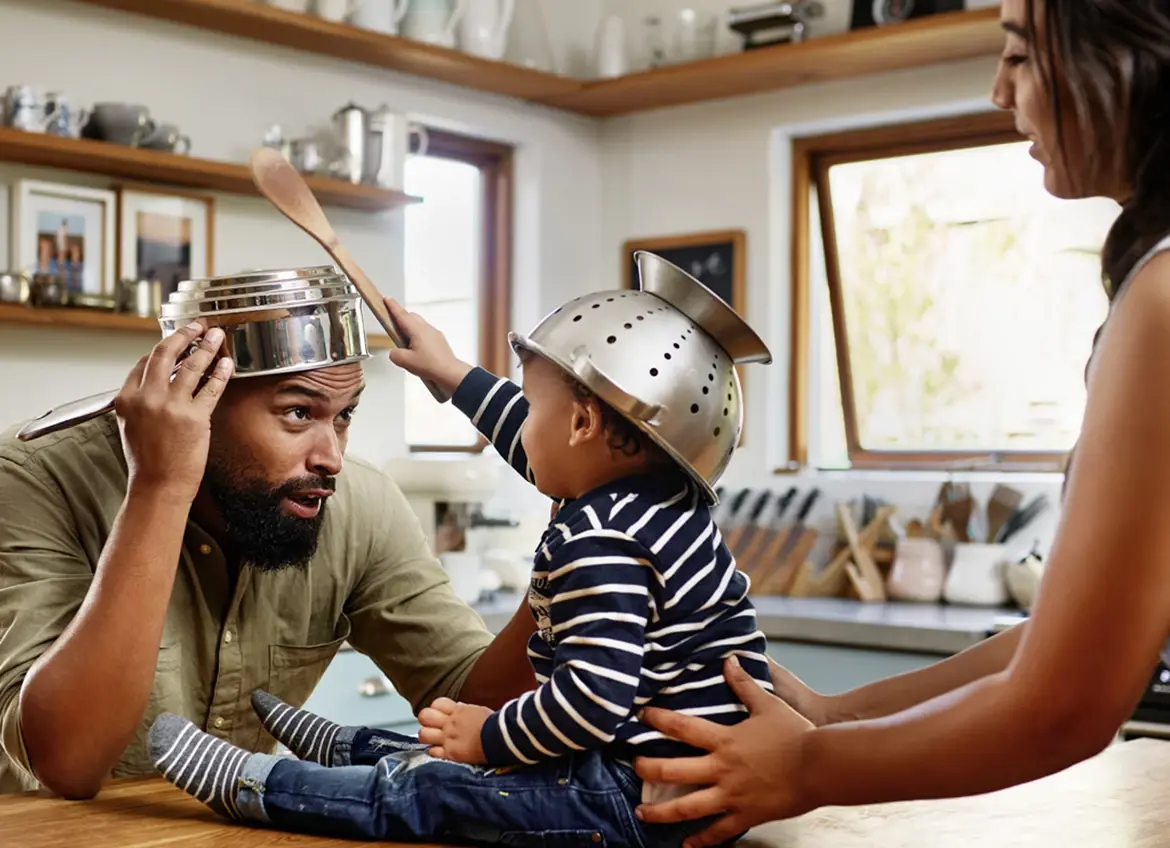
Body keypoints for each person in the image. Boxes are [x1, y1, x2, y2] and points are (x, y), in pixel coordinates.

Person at [630, 1, 1170, 845]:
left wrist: (802, 769)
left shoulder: (1164, 301)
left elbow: (1060, 705)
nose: (999, 90)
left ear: (1130, 60)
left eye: (1022, 57)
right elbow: (1067, 639)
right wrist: (834, 715)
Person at [145, 278, 774, 847]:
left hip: (637, 803)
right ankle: (352, 749)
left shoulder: (599, 537)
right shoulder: (660, 505)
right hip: (665, 785)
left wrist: (488, 735)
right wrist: (450, 375)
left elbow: (590, 701)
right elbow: (534, 446)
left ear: (582, 423)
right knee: (465, 761)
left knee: (435, 791)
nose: (522, 427)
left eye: (534, 405)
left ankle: (264, 786)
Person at [0, 320, 539, 798]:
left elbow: (484, 704)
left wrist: (574, 543)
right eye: (298, 412)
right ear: (198, 398)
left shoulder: (362, 506)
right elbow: (67, 764)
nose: (330, 457)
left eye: (344, 416)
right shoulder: (32, 479)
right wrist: (161, 486)